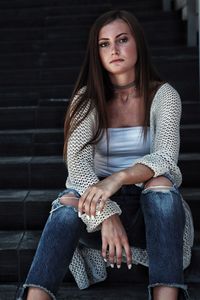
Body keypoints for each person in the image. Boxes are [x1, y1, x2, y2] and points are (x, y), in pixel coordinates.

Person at [16, 10, 194, 300]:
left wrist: (118, 178)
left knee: (160, 186)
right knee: (66, 203)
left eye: (122, 40)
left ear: (138, 43)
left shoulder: (164, 96)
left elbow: (165, 159)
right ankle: (36, 297)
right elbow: (77, 162)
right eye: (104, 43)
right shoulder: (86, 99)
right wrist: (106, 213)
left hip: (150, 215)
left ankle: (167, 296)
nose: (114, 50)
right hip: (94, 209)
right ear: (96, 52)